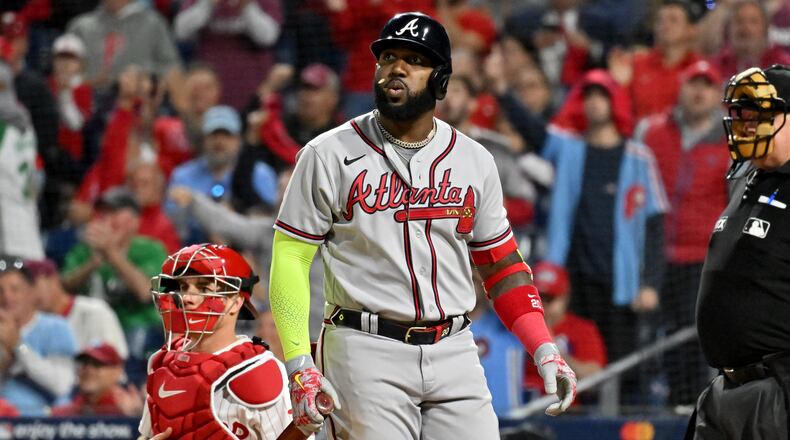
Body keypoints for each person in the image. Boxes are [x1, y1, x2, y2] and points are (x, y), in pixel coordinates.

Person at [269, 12, 577, 439]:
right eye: (389, 56)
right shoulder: (327, 154)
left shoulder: (473, 160)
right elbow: (290, 257)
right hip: (364, 347)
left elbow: (501, 265)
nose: (397, 67)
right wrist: (300, 362)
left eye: (414, 60)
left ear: (441, 81)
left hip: (455, 346)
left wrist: (544, 348)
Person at [687, 65, 790, 439]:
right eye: (741, 114)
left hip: (776, 393)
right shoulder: (745, 180)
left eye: (760, 114)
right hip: (723, 390)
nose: (746, 124)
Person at [636, 60, 730, 405]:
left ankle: (689, 404)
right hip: (653, 253)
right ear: (681, 89)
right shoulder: (653, 133)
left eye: (707, 85)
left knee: (690, 336)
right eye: (693, 83)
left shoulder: (729, 141)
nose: (699, 91)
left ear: (717, 94)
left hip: (699, 257)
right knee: (646, 335)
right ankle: (648, 401)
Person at [138, 243, 295, 440]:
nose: (187, 297)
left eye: (203, 288)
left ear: (236, 302)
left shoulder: (257, 370)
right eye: (183, 287)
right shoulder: (163, 363)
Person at [0, 256, 77, 416]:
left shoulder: (55, 327)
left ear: (31, 292)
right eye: (0, 291)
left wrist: (18, 346)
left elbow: (62, 384)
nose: (7, 298)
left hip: (43, 422)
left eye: (15, 289)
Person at [27, 258, 128, 358]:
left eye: (32, 284)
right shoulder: (31, 324)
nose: (28, 293)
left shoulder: (95, 311)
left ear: (53, 280)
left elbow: (115, 358)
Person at [51, 343, 143, 417]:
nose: (88, 370)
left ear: (118, 371)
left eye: (97, 364)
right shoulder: (66, 409)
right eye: (84, 364)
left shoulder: (126, 409)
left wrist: (136, 419)